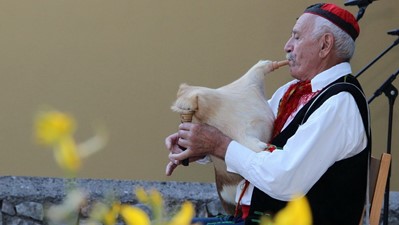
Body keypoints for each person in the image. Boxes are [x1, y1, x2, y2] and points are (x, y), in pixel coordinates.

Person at [165, 3, 371, 225]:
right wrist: (200, 147)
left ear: (325, 45)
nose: (287, 46)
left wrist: (219, 145)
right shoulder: (290, 91)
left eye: (297, 37)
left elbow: (285, 179)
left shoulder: (340, 103)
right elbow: (250, 137)